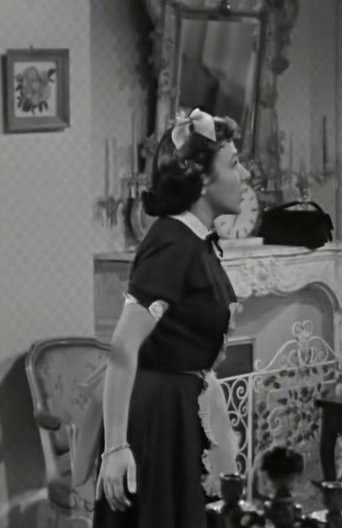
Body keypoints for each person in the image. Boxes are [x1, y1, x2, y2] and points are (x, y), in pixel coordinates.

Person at [92, 108, 247, 528]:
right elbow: (124, 346)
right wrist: (115, 447)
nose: (245, 175)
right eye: (234, 164)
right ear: (203, 181)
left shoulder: (197, 241)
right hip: (158, 419)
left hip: (182, 409)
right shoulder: (172, 242)